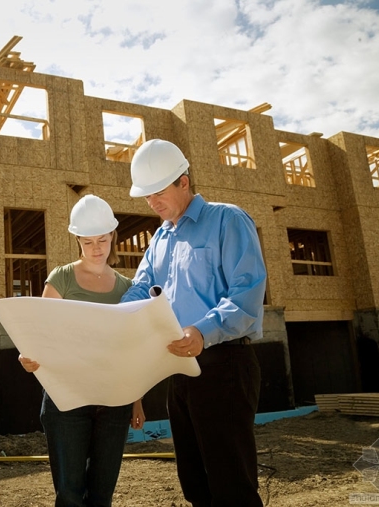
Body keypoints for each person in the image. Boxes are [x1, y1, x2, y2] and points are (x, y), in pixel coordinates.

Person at [120, 139, 267, 507]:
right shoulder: (160, 240)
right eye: (146, 195)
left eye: (158, 192)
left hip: (224, 364)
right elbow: (141, 288)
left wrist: (204, 330)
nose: (151, 202)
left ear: (183, 182)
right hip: (179, 368)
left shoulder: (228, 220)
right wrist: (114, 318)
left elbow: (247, 292)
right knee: (195, 484)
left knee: (230, 485)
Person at [18, 194, 146, 507]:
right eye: (87, 242)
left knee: (102, 495)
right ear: (77, 240)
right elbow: (40, 333)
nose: (97, 248)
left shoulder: (128, 288)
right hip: (67, 400)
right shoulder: (61, 278)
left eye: (102, 240)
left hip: (114, 400)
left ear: (113, 236)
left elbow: (130, 348)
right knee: (70, 495)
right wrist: (29, 356)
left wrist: (136, 401)